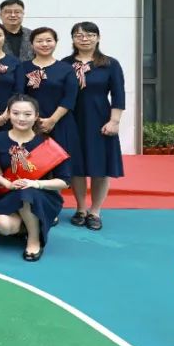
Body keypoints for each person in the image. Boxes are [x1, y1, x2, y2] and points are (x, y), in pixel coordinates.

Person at [0, 95, 71, 261]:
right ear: (8, 114)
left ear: (36, 116)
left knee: (26, 193)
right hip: (9, 194)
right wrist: (6, 183)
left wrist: (35, 183)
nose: (21, 118)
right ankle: (33, 224)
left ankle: (34, 240)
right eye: (16, 113)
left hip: (41, 195)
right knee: (2, 226)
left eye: (27, 114)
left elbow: (64, 181)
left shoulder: (47, 144)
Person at [63, 22, 126, 231]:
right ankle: (81, 208)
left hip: (100, 120)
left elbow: (118, 94)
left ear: (98, 38)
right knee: (76, 167)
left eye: (90, 35)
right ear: (73, 39)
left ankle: (95, 211)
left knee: (100, 167)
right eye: (79, 35)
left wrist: (114, 121)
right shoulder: (64, 64)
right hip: (71, 120)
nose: (84, 39)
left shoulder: (109, 64)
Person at [14, 27, 82, 174]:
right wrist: (34, 120)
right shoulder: (23, 67)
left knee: (63, 168)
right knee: (32, 167)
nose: (44, 44)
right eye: (39, 41)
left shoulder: (66, 69)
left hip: (61, 122)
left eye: (48, 40)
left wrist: (52, 120)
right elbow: (20, 95)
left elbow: (70, 97)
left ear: (55, 42)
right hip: (31, 124)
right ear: (32, 44)